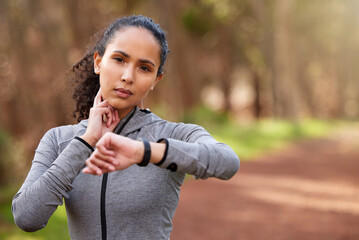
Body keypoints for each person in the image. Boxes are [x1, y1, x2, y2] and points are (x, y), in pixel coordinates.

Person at [11, 15, 239, 240]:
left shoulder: (171, 134)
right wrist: (86, 141)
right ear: (98, 62)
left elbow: (227, 162)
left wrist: (145, 152)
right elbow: (26, 217)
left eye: (144, 68)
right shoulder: (58, 140)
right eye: (119, 59)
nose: (128, 76)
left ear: (155, 81)